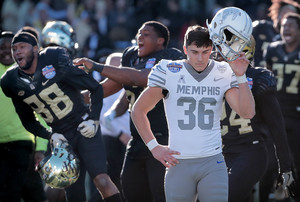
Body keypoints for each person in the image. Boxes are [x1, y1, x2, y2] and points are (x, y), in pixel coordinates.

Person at [130, 9, 255, 202]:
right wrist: (154, 147)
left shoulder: (223, 71)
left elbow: (247, 112)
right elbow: (138, 110)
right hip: (179, 162)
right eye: (195, 52)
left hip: (213, 161)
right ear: (185, 48)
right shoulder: (169, 70)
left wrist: (240, 76)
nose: (200, 58)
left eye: (205, 52)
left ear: (212, 49)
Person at [0, 31, 122, 202]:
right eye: (15, 48)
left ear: (36, 49)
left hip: (83, 126)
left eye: (22, 47)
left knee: (101, 180)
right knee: (73, 193)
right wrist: (51, 135)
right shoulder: (11, 81)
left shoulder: (53, 59)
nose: (17, 52)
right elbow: (27, 120)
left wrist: (93, 119)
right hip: (61, 136)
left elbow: (95, 88)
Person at [74, 20, 185, 202]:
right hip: (138, 138)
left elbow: (141, 78)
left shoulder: (171, 57)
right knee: (131, 190)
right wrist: (74, 97)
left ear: (160, 40)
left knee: (161, 193)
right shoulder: (131, 56)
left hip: (165, 137)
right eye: (139, 33)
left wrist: (96, 66)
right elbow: (110, 86)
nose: (139, 37)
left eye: (146, 34)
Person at [220, 35, 294, 202]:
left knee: (224, 196)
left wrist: (285, 167)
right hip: (220, 151)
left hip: (249, 149)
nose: (219, 53)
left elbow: (276, 125)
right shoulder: (214, 76)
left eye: (224, 48)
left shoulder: (258, 77)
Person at [0, 30, 48, 202]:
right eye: (3, 47)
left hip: (22, 143)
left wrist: (41, 147)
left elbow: (41, 112)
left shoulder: (26, 73)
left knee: (11, 193)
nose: (6, 51)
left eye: (11, 47)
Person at [264, 12, 300, 201]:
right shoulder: (272, 49)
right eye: (284, 25)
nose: (287, 29)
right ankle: (273, 193)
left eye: (291, 26)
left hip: (296, 113)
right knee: (270, 160)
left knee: (296, 160)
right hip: (275, 111)